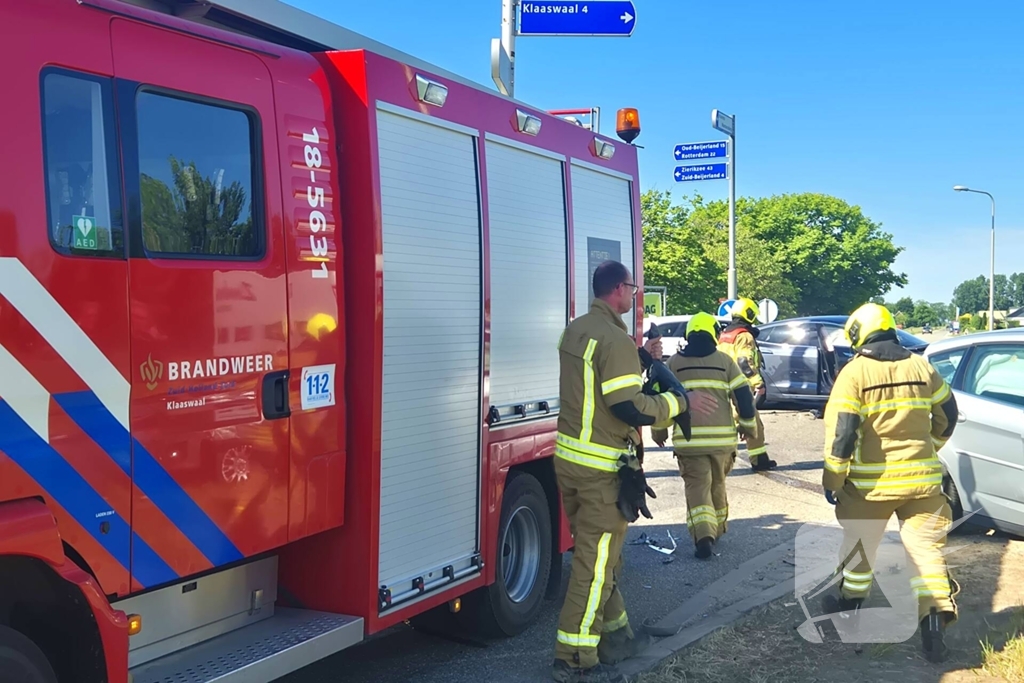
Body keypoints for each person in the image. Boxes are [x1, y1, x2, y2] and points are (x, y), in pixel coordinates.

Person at [552, 261, 717, 683]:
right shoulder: (614, 339)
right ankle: (573, 654)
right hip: (602, 468)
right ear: (618, 290)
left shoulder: (577, 329)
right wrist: (680, 404)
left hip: (570, 463)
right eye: (633, 287)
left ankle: (617, 639)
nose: (635, 294)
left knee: (602, 557)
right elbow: (628, 406)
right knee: (594, 564)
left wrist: (645, 361)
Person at [821, 302, 960, 662]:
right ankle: (933, 620)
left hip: (871, 488)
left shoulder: (854, 374)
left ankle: (850, 604)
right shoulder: (922, 366)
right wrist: (932, 446)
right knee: (926, 551)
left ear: (857, 334)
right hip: (924, 484)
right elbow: (948, 414)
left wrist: (833, 480)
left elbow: (842, 435)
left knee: (859, 549)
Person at [651, 312, 758, 559]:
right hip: (722, 442)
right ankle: (718, 528)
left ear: (689, 334)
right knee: (718, 484)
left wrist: (659, 430)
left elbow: (660, 398)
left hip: (689, 442)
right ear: (713, 334)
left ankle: (703, 535)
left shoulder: (674, 363)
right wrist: (747, 426)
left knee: (698, 487)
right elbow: (743, 395)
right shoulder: (724, 362)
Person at [717, 297, 777, 471]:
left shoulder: (725, 334)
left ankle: (758, 459)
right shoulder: (744, 335)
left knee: (736, 424)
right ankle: (759, 461)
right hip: (740, 388)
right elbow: (744, 361)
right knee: (752, 425)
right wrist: (758, 382)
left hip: (725, 385)